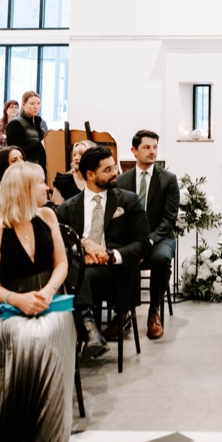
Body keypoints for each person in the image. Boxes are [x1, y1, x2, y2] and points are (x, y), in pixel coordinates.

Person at [0, 162, 75, 442]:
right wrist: (18, 300)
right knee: (26, 338)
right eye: (41, 183)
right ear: (23, 190)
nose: (48, 187)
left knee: (43, 335)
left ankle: (44, 431)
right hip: (10, 308)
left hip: (52, 303)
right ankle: (15, 434)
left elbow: (62, 265)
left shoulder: (47, 216)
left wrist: (46, 292)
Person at [58, 144, 150, 355]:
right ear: (90, 175)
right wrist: (83, 248)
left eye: (114, 167)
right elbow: (60, 241)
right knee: (73, 261)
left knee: (77, 271)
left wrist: (110, 256)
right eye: (107, 170)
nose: (115, 173)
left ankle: (87, 328)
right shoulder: (67, 208)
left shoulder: (129, 201)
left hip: (117, 274)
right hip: (81, 270)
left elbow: (143, 244)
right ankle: (90, 327)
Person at [125, 131, 179, 341]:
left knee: (161, 258)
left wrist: (147, 241)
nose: (152, 151)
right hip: (133, 238)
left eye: (155, 147)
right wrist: (134, 244)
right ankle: (124, 312)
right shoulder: (122, 180)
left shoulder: (168, 180)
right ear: (134, 151)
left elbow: (168, 221)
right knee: (121, 256)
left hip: (160, 237)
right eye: (146, 147)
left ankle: (154, 311)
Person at [4, 92, 46, 170]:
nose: (36, 107)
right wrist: (40, 145)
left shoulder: (42, 123)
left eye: (38, 103)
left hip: (42, 169)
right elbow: (15, 152)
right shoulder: (15, 123)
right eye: (32, 104)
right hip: (24, 169)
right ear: (23, 105)